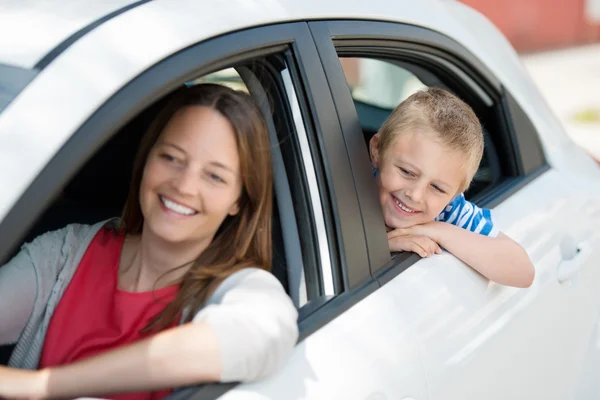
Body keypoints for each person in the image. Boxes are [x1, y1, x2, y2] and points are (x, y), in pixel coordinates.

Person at [0, 83, 298, 399]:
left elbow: (260, 337)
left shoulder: (241, 289)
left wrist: (42, 386)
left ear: (238, 199)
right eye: (171, 157)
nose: (184, 185)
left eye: (215, 176)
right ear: (146, 158)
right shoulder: (65, 253)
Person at [370, 87, 535, 288]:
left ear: (455, 195)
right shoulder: (345, 190)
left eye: (438, 188)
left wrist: (437, 230)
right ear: (377, 150)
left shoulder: (449, 212)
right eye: (407, 172)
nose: (415, 195)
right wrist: (379, 248)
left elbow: (523, 271)